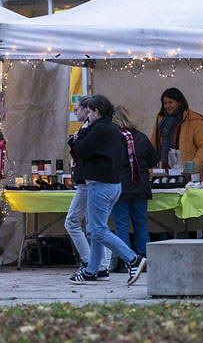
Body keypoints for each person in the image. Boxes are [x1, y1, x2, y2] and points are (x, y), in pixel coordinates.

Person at [68, 95, 146, 286]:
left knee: (97, 230)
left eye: (89, 111)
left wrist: (75, 140)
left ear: (96, 112)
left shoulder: (100, 129)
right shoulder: (112, 129)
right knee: (97, 230)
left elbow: (80, 151)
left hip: (99, 184)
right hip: (112, 185)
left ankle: (133, 259)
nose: (87, 114)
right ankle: (93, 271)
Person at [64, 95, 111, 279]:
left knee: (74, 222)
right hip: (88, 181)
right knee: (94, 225)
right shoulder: (93, 129)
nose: (76, 112)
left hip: (87, 182)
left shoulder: (91, 129)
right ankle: (100, 266)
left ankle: (90, 262)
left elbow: (82, 153)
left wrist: (75, 141)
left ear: (89, 110)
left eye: (81, 109)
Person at [110, 105, 158, 264]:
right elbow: (153, 160)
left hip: (120, 187)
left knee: (121, 225)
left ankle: (126, 260)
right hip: (140, 186)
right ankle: (145, 258)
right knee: (141, 223)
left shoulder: (112, 139)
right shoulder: (142, 138)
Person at [150, 88, 203, 178]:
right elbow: (153, 147)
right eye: (165, 103)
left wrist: (192, 168)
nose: (167, 106)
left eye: (171, 102)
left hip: (186, 176)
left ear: (179, 103)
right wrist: (151, 169)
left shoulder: (194, 120)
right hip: (162, 175)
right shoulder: (160, 122)